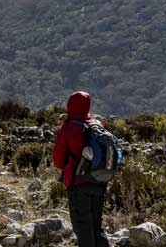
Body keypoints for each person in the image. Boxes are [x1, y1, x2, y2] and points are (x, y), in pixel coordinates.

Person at [52, 91, 109, 247]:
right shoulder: (97, 125)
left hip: (78, 183)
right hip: (99, 181)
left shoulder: (68, 127)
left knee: (83, 228)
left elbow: (57, 160)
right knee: (97, 226)